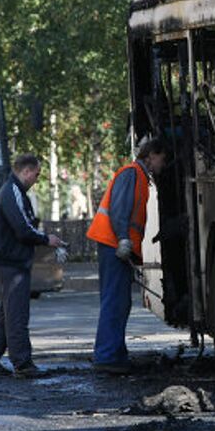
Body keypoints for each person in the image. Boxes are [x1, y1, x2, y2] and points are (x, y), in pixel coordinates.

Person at [0, 154, 64, 378]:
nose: (37, 178)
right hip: (12, 264)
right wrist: (47, 239)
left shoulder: (12, 191)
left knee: (7, 315)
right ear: (26, 171)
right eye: (36, 173)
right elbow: (22, 228)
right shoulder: (12, 191)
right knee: (17, 315)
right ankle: (23, 365)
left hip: (10, 261)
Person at [86, 138, 167, 374]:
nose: (163, 165)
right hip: (114, 245)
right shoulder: (131, 173)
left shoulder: (138, 175)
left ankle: (114, 354)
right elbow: (120, 209)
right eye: (162, 159)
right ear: (151, 155)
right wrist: (123, 238)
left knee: (119, 302)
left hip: (117, 246)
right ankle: (107, 357)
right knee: (115, 301)